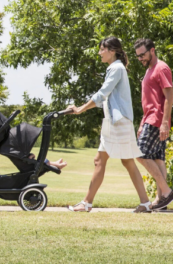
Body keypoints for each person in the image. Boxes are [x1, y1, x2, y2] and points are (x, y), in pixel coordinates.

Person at [67, 36, 151, 213]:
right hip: (116, 122)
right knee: (120, 161)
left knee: (112, 161)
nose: (99, 53)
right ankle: (144, 203)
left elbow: (102, 93)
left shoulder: (116, 68)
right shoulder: (116, 68)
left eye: (102, 49)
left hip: (118, 123)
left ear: (112, 51)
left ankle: (87, 203)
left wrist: (81, 109)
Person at [134, 38, 173, 210]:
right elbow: (149, 100)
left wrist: (165, 122)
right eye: (138, 56)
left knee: (140, 153)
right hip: (150, 119)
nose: (140, 58)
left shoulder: (161, 68)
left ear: (152, 51)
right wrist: (142, 122)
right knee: (158, 159)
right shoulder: (150, 70)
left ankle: (166, 192)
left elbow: (169, 96)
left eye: (142, 55)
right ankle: (161, 200)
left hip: (157, 119)